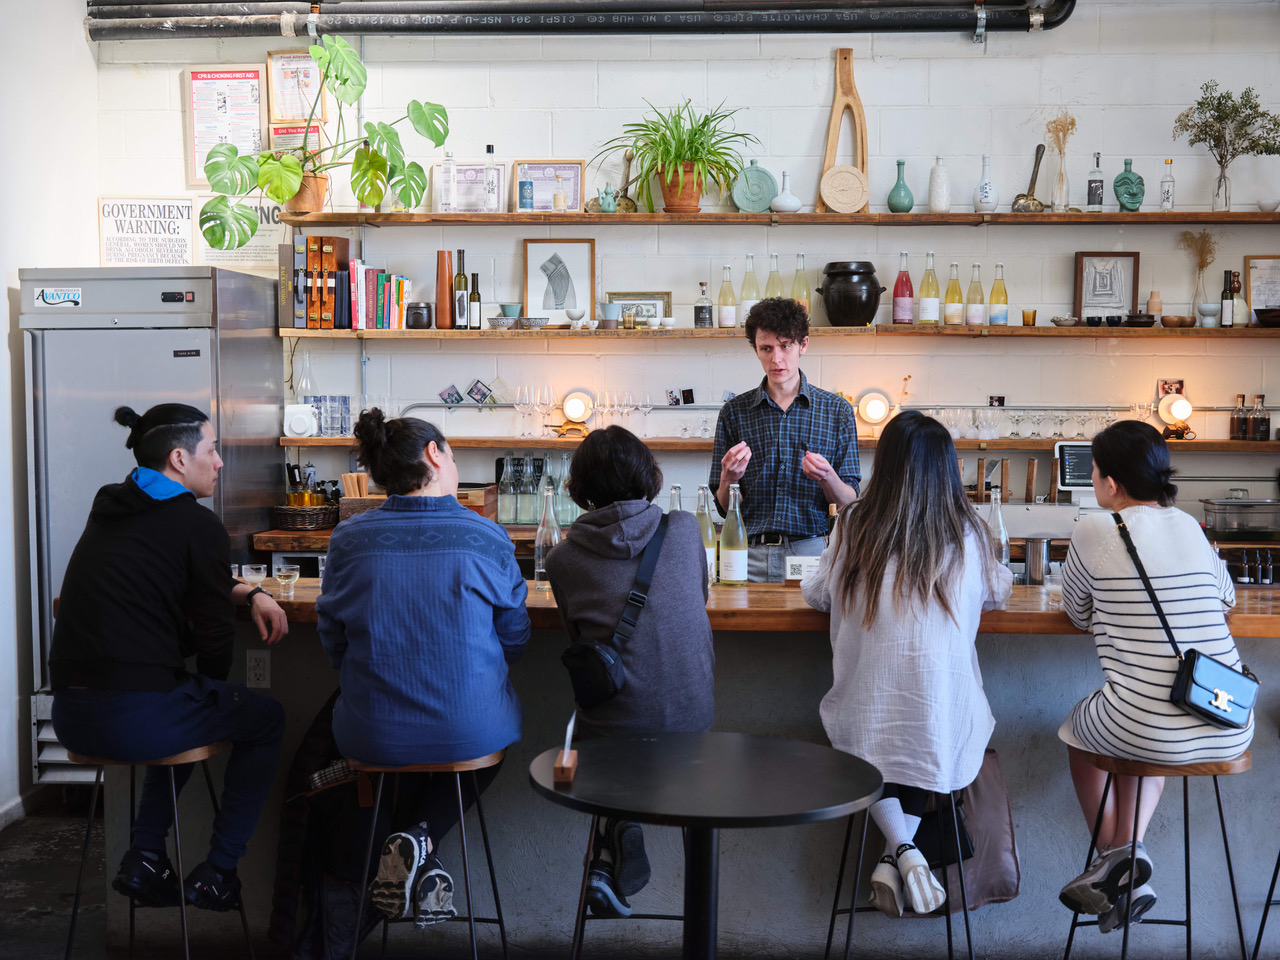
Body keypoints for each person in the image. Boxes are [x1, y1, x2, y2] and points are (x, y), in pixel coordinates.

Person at [51, 403, 289, 912]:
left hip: (69, 719)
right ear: (180, 459)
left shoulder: (110, 506)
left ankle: (145, 857)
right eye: (213, 450)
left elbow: (179, 570)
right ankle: (219, 872)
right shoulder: (196, 524)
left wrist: (248, 591)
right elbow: (214, 635)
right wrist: (214, 684)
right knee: (261, 717)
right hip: (138, 720)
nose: (220, 462)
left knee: (185, 702)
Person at [317, 409, 529, 928]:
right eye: (452, 456)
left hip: (372, 734)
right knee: (491, 740)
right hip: (470, 731)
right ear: (434, 455)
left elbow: (333, 642)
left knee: (377, 745)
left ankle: (414, 851)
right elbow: (515, 639)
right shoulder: (487, 536)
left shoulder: (348, 538)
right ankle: (420, 840)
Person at [802, 410, 1011, 917]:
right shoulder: (969, 530)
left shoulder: (855, 523)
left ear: (886, 464)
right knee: (924, 736)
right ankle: (905, 852)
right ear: (946, 469)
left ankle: (898, 853)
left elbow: (817, 593)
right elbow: (999, 590)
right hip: (945, 714)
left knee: (876, 744)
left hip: (865, 711)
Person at [1056, 420, 1253, 932]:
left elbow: (1077, 613)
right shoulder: (1189, 525)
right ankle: (1127, 867)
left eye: (1094, 472)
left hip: (1147, 727)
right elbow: (1227, 599)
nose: (1092, 480)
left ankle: (1117, 861)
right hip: (1228, 717)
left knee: (1082, 732)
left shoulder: (1094, 529)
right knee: (1148, 713)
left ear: (1111, 482)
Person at [545, 426, 715, 918]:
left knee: (590, 733)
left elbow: (580, 640)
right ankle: (611, 859)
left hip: (615, 734)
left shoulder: (562, 559)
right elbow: (699, 598)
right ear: (648, 475)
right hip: (693, 724)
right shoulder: (684, 530)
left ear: (580, 487)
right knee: (612, 729)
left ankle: (612, 841)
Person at [709, 296, 860, 582]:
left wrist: (827, 476)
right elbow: (726, 508)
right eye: (766, 348)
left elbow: (849, 503)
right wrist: (728, 478)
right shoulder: (734, 412)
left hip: (811, 552)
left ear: (803, 345)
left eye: (785, 346)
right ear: (756, 350)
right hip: (747, 553)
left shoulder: (836, 411)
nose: (776, 359)